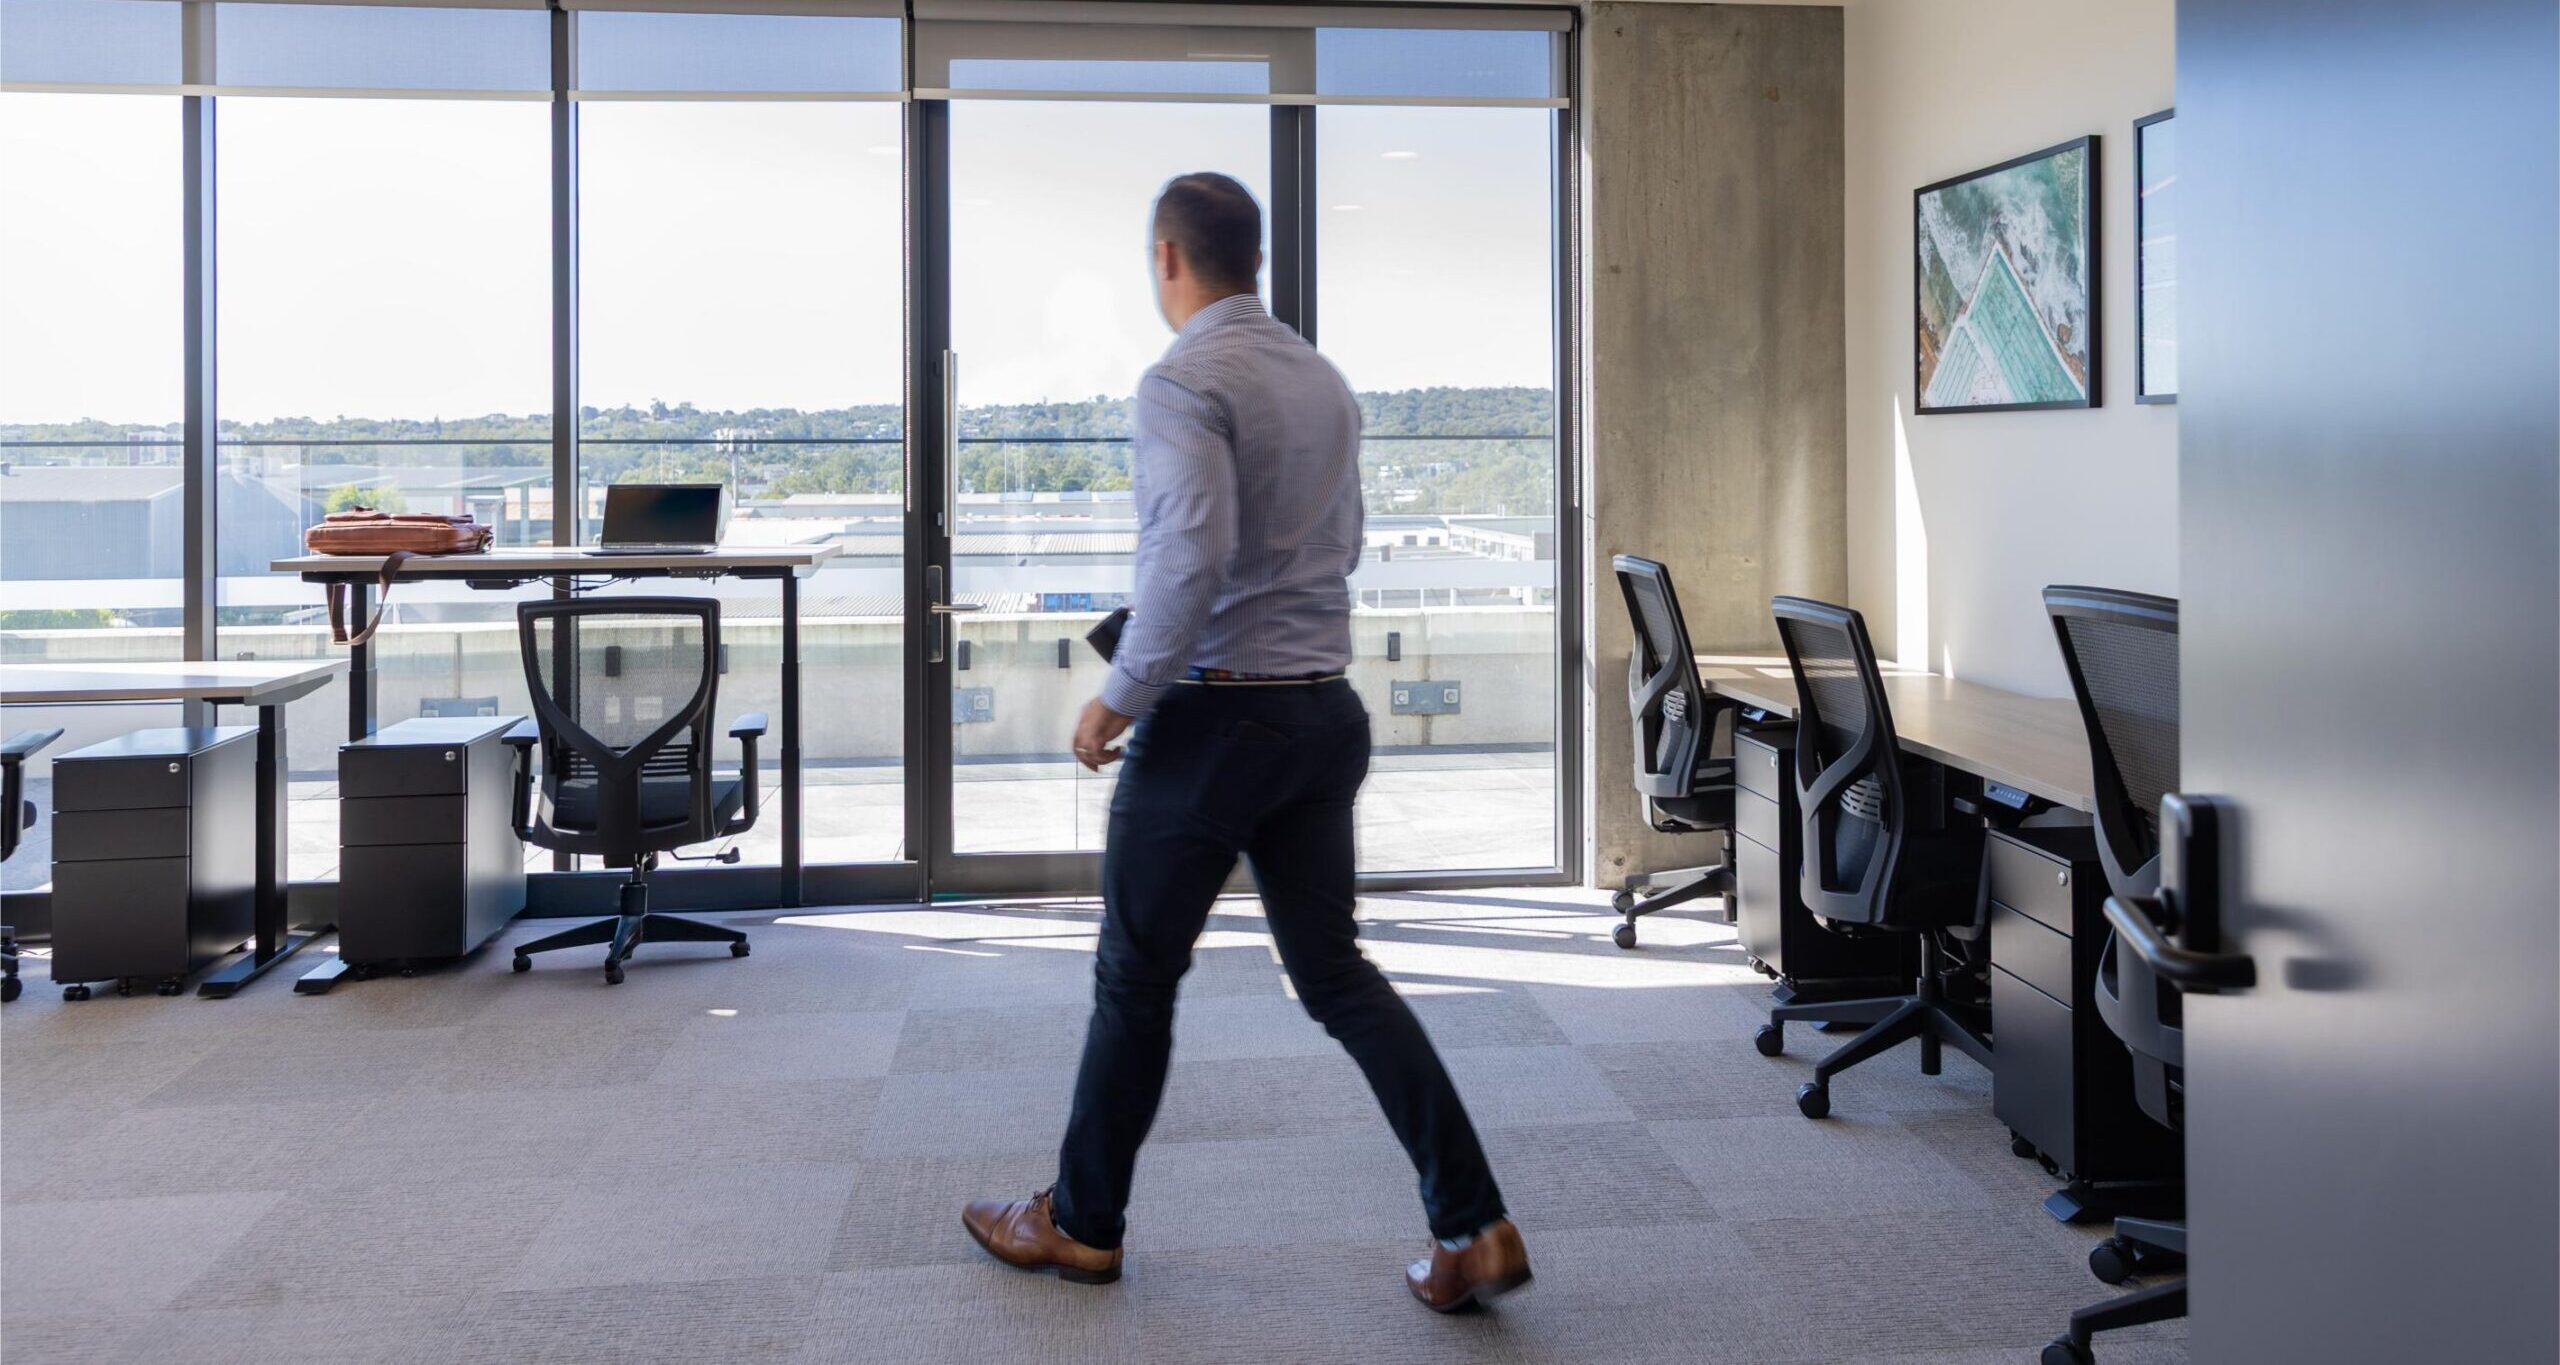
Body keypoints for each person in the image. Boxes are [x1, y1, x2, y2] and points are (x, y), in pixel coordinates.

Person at [961, 172, 1531, 1311]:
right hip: (1322, 712)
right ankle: (1473, 1225)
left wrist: (1120, 694)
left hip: (1216, 722)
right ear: (1254, 258)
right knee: (1335, 975)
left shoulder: (1182, 381)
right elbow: (1344, 544)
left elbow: (1191, 556)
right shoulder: (1322, 379)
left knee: (1134, 978)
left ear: (1167, 258)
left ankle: (1080, 1227)